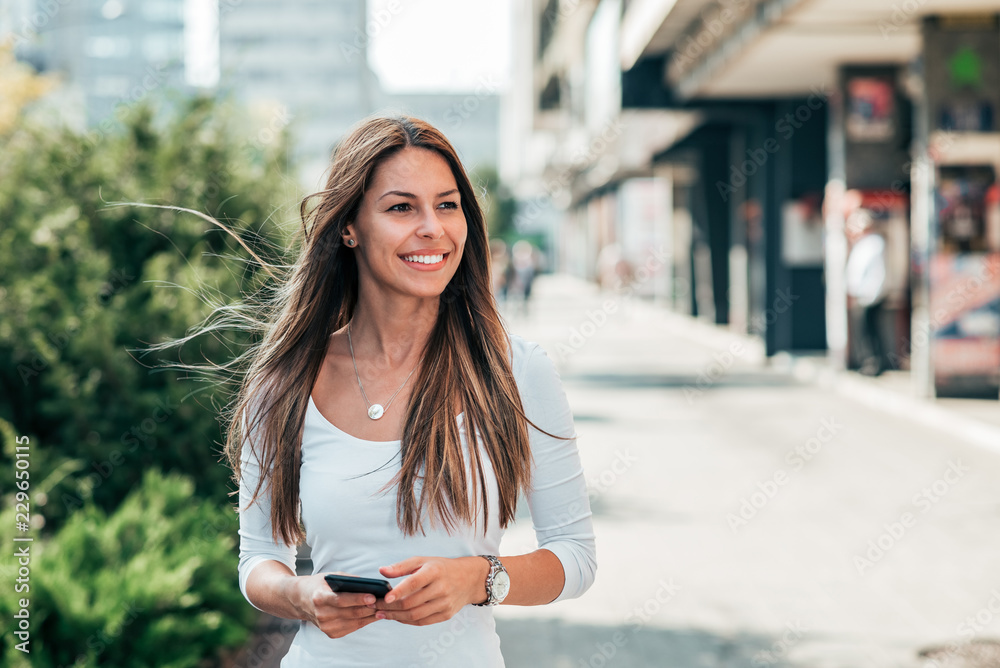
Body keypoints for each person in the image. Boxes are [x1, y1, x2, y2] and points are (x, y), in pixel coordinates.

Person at [230, 115, 597, 667]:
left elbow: (575, 557)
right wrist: (302, 596)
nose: (432, 228)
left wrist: (479, 578)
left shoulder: (515, 370)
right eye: (402, 207)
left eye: (447, 206)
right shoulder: (285, 380)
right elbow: (259, 557)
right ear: (349, 226)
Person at [845, 211, 889, 376]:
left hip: (870, 296)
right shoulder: (864, 244)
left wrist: (869, 294)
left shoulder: (874, 243)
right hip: (864, 295)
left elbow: (873, 272)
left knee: (869, 332)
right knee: (865, 331)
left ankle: (873, 363)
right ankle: (869, 362)